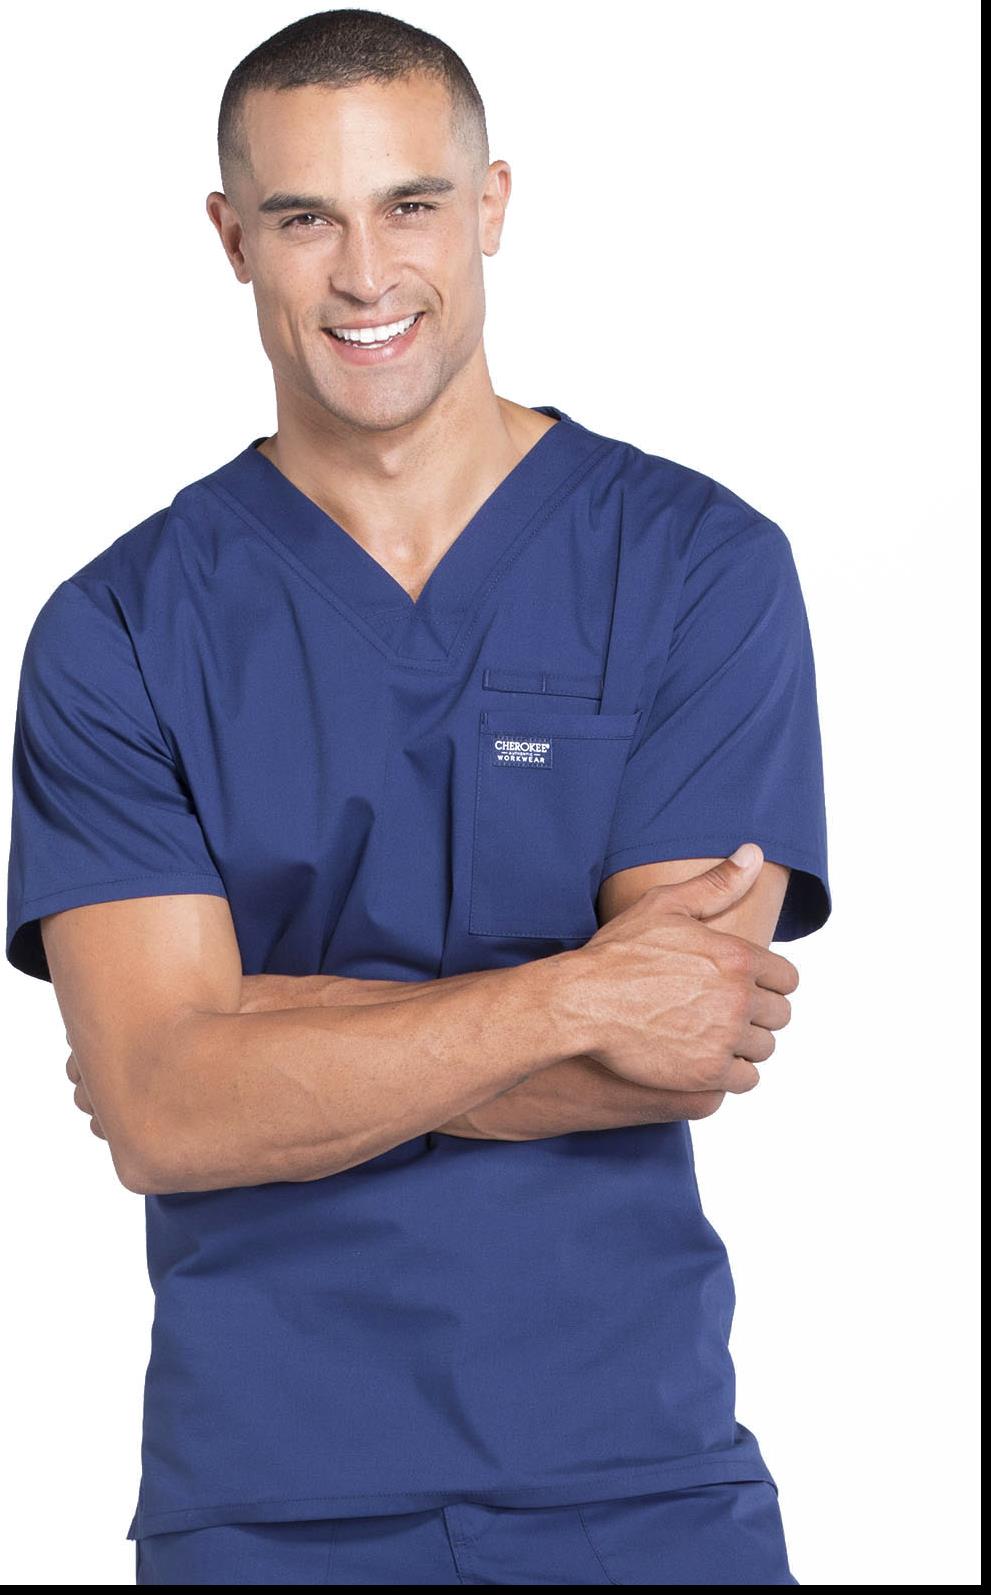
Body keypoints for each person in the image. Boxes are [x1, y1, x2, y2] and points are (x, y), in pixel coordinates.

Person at [4, 8, 831, 1586]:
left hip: (638, 1484)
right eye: (304, 218)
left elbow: (681, 1042)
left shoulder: (694, 567)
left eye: (412, 204)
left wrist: (248, 1034)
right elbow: (162, 1113)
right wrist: (569, 994)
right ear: (231, 240)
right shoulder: (119, 631)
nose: (365, 273)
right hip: (266, 1503)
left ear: (493, 206)